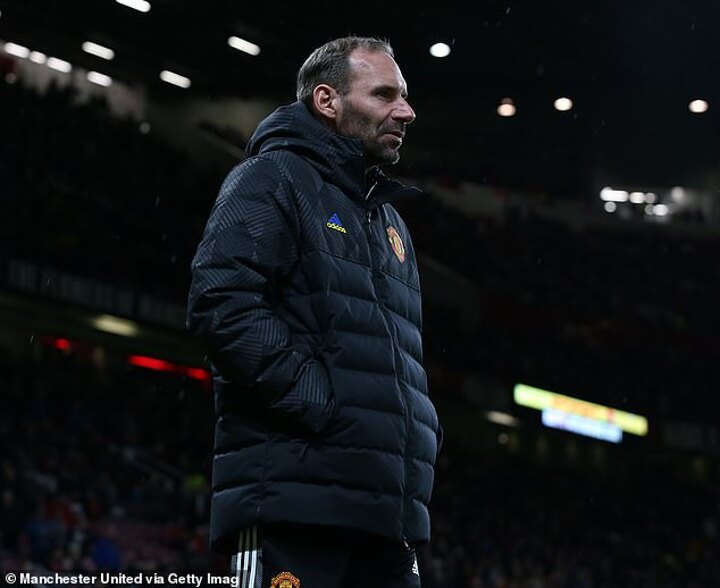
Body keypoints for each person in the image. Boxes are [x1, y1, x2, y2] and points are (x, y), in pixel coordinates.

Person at [187, 36, 441, 588]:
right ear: (327, 100)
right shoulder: (271, 177)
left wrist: (418, 434)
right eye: (385, 95)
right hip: (293, 503)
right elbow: (222, 301)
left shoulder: (391, 221)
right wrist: (320, 403)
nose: (406, 111)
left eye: (404, 96)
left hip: (384, 515)